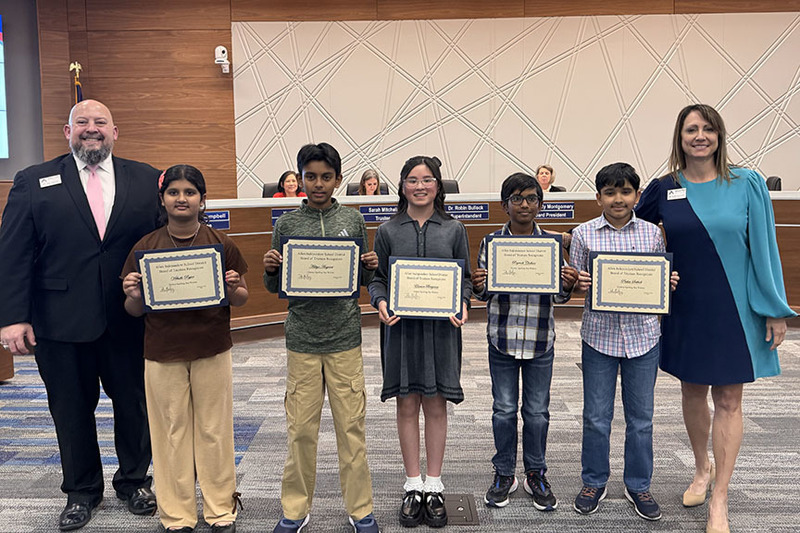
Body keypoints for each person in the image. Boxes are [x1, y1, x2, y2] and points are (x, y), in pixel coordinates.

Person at [0, 100, 159, 531]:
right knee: (70, 409)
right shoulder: (33, 181)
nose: (92, 129)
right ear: (66, 131)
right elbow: (13, 252)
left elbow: (167, 244)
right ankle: (81, 491)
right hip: (60, 322)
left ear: (115, 131)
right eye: (83, 122)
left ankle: (134, 481)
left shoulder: (146, 178)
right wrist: (12, 317)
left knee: (135, 404)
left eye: (100, 122)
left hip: (129, 318)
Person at [636, 104, 794, 533]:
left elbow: (764, 249)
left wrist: (774, 307)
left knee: (729, 399)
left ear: (720, 135)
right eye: (691, 129)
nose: (699, 136)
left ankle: (719, 497)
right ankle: (701, 468)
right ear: (680, 137)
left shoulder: (748, 184)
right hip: (686, 306)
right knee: (692, 391)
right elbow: (629, 235)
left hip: (734, 309)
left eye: (708, 128)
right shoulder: (663, 187)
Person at [121, 165, 248, 533]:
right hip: (162, 352)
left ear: (202, 199)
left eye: (190, 192)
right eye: (174, 192)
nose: (182, 198)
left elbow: (239, 300)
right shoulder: (145, 247)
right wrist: (134, 294)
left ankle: (221, 508)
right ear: (162, 199)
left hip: (211, 348)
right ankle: (176, 514)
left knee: (214, 429)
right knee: (170, 432)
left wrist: (233, 285)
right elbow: (134, 309)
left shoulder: (221, 244)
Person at [263, 143, 380, 533]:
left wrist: (370, 267)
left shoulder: (354, 220)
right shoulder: (287, 225)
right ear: (300, 179)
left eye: (326, 177)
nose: (318, 184)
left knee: (352, 429)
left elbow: (361, 283)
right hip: (302, 340)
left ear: (338, 180)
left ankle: (360, 509)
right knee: (300, 431)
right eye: (310, 176)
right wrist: (270, 268)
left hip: (345, 338)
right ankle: (295, 509)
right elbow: (276, 285)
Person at [569, 162, 679, 522]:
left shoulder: (652, 234)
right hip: (598, 337)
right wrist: (578, 284)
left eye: (626, 191)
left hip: (643, 337)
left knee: (642, 418)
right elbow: (573, 283)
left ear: (636, 196)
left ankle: (638, 484)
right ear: (598, 196)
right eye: (611, 192)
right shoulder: (584, 234)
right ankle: (593, 481)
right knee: (596, 417)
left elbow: (652, 284)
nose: (618, 199)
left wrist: (666, 283)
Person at [368, 155, 472, 528]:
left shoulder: (454, 229)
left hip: (441, 331)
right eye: (412, 180)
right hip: (401, 329)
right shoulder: (388, 230)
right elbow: (377, 278)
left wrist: (462, 302)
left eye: (427, 179)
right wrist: (380, 302)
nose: (420, 186)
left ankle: (434, 484)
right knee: (407, 403)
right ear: (402, 186)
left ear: (438, 186)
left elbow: (466, 279)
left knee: (437, 404)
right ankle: (412, 484)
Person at [472, 173, 577, 510]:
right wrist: (479, 284)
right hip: (501, 339)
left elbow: (560, 298)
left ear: (540, 205)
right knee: (503, 411)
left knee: (537, 413)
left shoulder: (551, 245)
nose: (525, 204)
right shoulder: (491, 243)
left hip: (539, 340)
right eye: (517, 198)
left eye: (532, 198)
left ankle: (535, 473)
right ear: (505, 205)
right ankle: (504, 472)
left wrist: (568, 282)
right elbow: (484, 293)